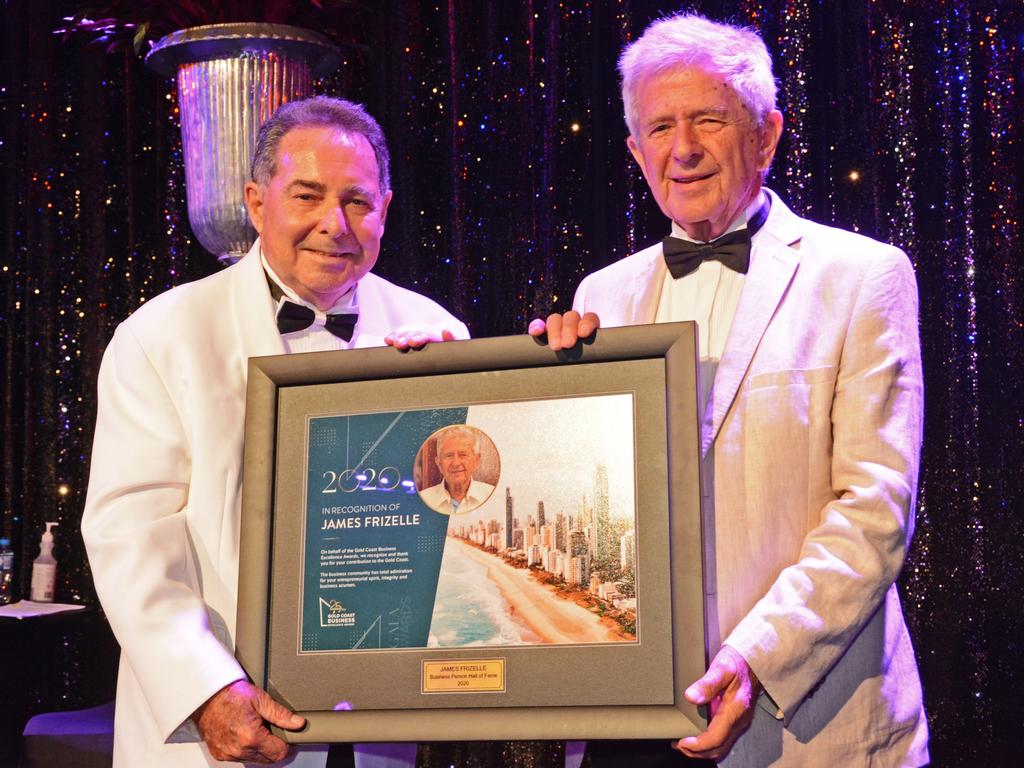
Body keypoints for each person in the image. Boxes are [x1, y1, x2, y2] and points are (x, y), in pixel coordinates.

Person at [532, 14, 928, 768]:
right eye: (660, 127)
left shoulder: (862, 277)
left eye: (709, 120)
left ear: (768, 135)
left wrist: (752, 656)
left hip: (805, 718)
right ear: (634, 150)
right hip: (631, 722)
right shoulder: (599, 296)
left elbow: (874, 511)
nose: (682, 150)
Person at [82, 96, 468, 767]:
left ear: (387, 208)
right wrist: (207, 690)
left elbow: (464, 532)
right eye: (308, 196)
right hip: (227, 727)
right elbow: (129, 537)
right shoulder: (162, 335)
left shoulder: (441, 332)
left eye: (357, 201)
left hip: (391, 730)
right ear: (258, 204)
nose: (333, 224)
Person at [418, 426, 496, 514]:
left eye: (463, 455)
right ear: (439, 463)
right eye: (449, 455)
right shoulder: (423, 499)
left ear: (476, 460)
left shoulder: (493, 496)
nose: (456, 463)